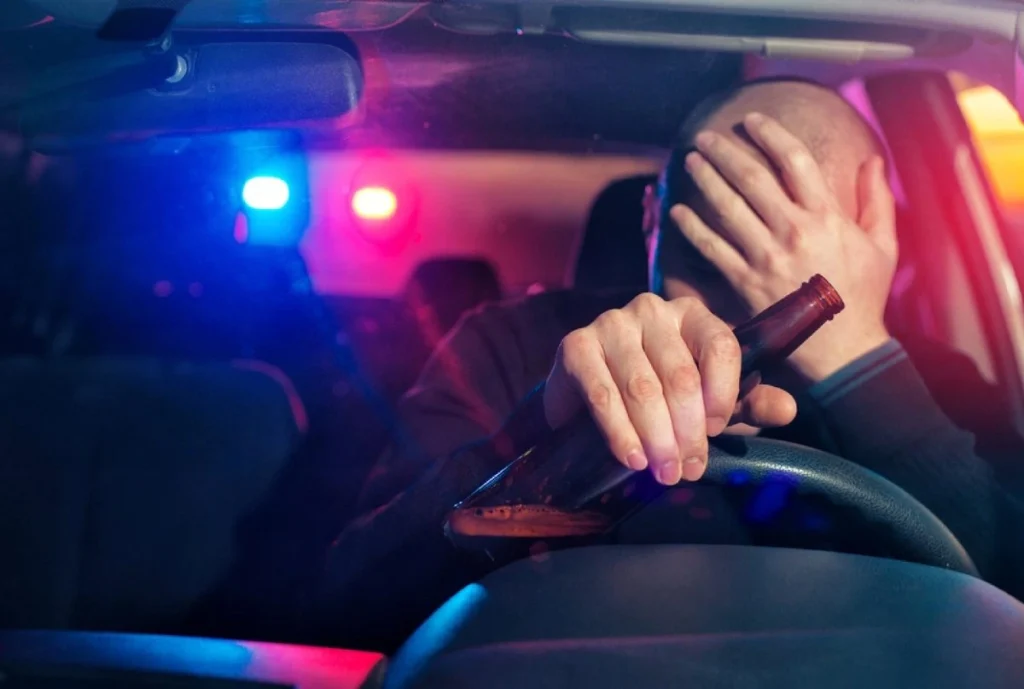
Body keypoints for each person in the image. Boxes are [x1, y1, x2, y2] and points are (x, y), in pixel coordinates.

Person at [312, 77, 1024, 650]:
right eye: (714, 233)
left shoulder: (929, 380)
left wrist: (858, 361)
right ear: (651, 218)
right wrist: (552, 430)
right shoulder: (511, 345)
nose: (730, 323)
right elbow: (349, 606)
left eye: (789, 234)